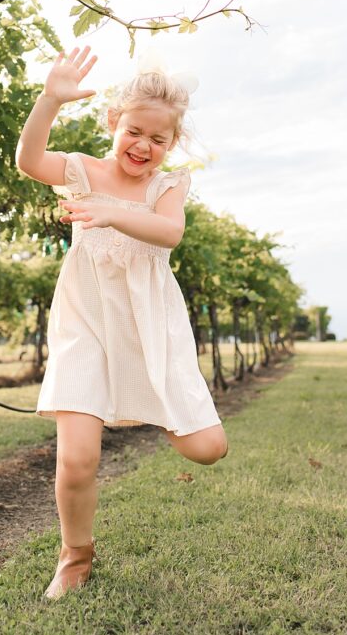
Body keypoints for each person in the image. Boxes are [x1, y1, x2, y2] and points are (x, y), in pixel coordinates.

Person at [15, 44, 229, 600]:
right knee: (78, 458)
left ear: (172, 143)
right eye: (135, 131)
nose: (145, 147)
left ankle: (150, 401)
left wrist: (114, 213)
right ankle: (74, 556)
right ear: (114, 122)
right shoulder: (81, 172)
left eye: (159, 139)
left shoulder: (168, 186)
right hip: (85, 325)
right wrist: (49, 98)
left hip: (149, 327)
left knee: (208, 448)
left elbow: (170, 233)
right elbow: (28, 161)